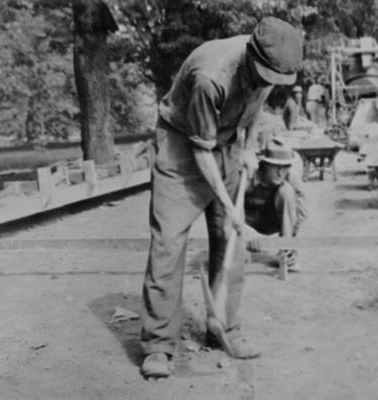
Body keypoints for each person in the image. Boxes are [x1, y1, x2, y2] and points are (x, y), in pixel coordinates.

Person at [140, 17, 303, 379]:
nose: (269, 84)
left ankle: (224, 328)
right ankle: (158, 345)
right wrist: (230, 208)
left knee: (232, 239)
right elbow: (201, 151)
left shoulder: (269, 66)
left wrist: (246, 146)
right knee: (168, 242)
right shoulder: (210, 77)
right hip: (182, 145)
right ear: (251, 57)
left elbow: (256, 104)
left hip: (227, 141)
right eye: (266, 76)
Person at [244, 138, 307, 271]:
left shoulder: (291, 177)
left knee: (286, 191)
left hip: (274, 221)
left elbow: (301, 216)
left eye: (285, 167)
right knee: (238, 260)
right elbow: (227, 211)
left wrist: (293, 245)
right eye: (276, 167)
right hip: (249, 223)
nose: (281, 173)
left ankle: (287, 254)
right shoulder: (248, 176)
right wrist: (245, 232)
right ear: (264, 164)